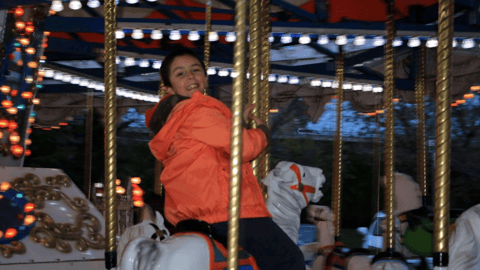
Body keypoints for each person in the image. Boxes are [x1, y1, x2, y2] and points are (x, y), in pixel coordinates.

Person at [144, 47, 305, 270]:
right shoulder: (198, 109)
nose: (190, 76)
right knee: (290, 260)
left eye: (195, 70)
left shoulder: (173, 121)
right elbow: (245, 148)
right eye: (180, 73)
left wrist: (234, 121)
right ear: (168, 87)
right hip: (226, 212)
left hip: (187, 218)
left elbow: (213, 147)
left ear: (205, 77)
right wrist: (262, 131)